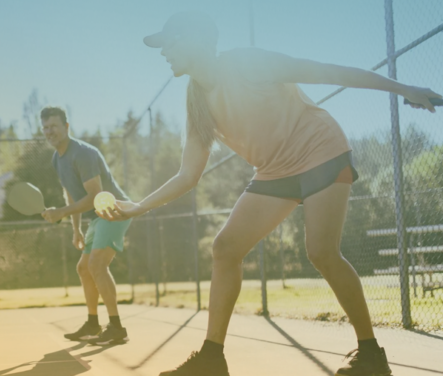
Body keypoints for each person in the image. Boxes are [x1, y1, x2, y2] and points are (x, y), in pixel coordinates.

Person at [97, 11, 441, 376]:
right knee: (225, 248)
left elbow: (328, 71)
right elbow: (188, 174)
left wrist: (405, 89)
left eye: (170, 42)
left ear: (196, 41)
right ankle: (212, 358)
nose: (164, 52)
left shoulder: (247, 63)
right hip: (276, 170)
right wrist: (139, 206)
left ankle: (371, 355)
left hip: (319, 149)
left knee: (322, 252)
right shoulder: (197, 99)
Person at [39, 106, 133, 346]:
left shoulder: (83, 153)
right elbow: (71, 195)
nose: (50, 131)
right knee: (84, 268)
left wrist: (60, 213)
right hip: (97, 217)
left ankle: (116, 327)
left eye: (55, 126)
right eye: (46, 127)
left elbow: (94, 196)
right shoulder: (56, 159)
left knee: (97, 264)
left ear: (66, 127)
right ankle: (93, 323)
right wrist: (76, 228)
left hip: (114, 211)